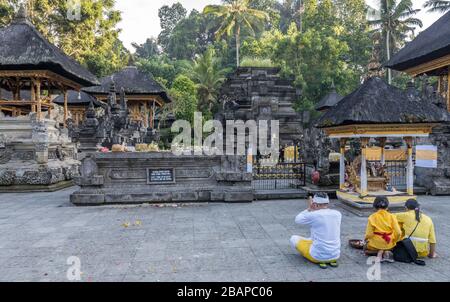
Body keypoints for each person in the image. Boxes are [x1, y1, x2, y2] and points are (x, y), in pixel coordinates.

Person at [290, 193, 342, 269]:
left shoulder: (314, 215)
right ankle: (331, 260)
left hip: (317, 256)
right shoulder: (338, 214)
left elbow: (297, 219)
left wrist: (309, 209)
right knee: (312, 238)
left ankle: (321, 259)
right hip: (335, 255)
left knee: (293, 238)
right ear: (327, 203)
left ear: (315, 204)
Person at [365, 196, 402, 263]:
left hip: (375, 245)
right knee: (389, 245)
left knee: (366, 246)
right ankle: (385, 252)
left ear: (375, 206)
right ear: (387, 206)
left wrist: (365, 239)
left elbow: (369, 234)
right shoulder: (392, 216)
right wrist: (394, 241)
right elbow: (399, 233)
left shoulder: (372, 217)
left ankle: (379, 253)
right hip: (389, 243)